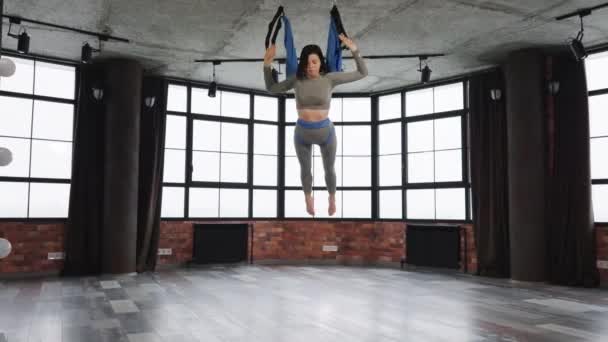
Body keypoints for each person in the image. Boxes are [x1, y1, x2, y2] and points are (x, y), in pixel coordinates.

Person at [263, 34, 368, 216]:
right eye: (307, 62)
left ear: (320, 63)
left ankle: (332, 197)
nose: (310, 65)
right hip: (302, 133)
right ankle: (308, 199)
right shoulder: (296, 79)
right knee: (305, 169)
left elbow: (362, 73)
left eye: (314, 61)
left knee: (329, 169)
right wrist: (266, 64)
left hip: (326, 133)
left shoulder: (330, 79)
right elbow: (272, 88)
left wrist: (354, 50)